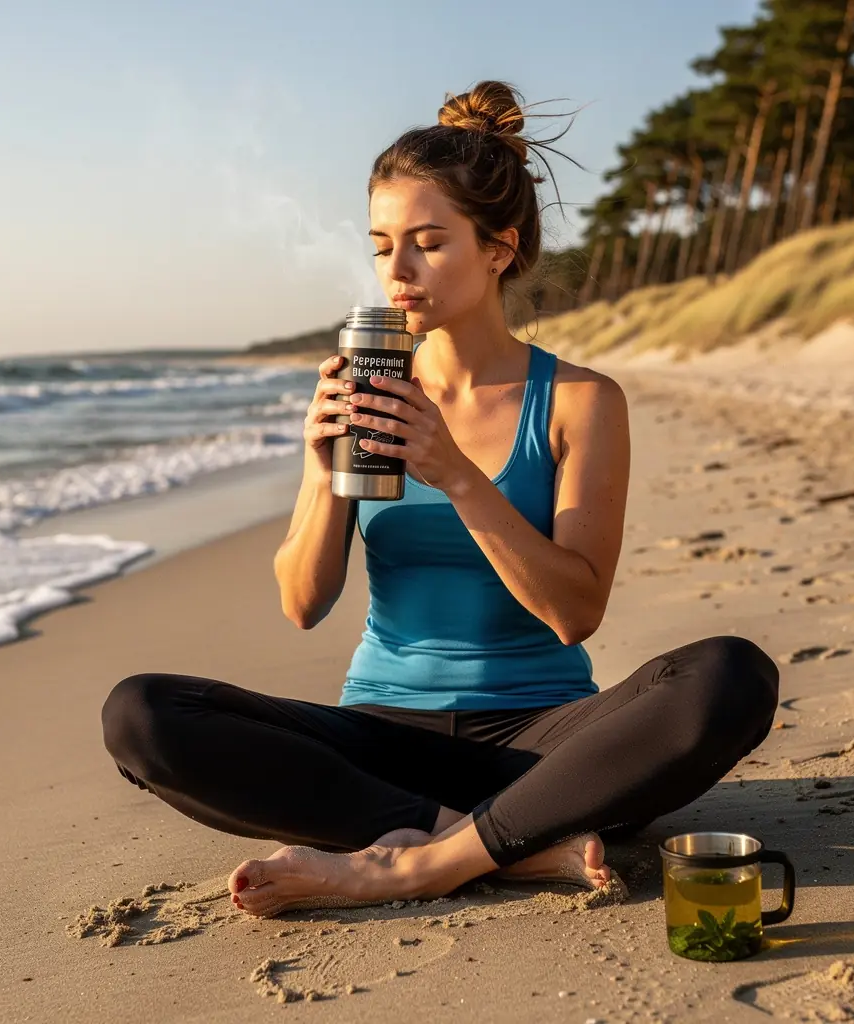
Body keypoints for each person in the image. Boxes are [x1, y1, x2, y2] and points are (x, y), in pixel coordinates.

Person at [102, 80, 780, 920]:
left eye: (428, 242)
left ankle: (418, 862)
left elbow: (575, 613)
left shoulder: (578, 401)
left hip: (544, 749)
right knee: (141, 715)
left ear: (498, 249)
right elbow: (303, 603)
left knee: (730, 675)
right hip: (381, 742)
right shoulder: (373, 392)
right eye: (383, 244)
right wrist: (320, 468)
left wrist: (458, 473)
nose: (399, 271)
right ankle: (494, 844)